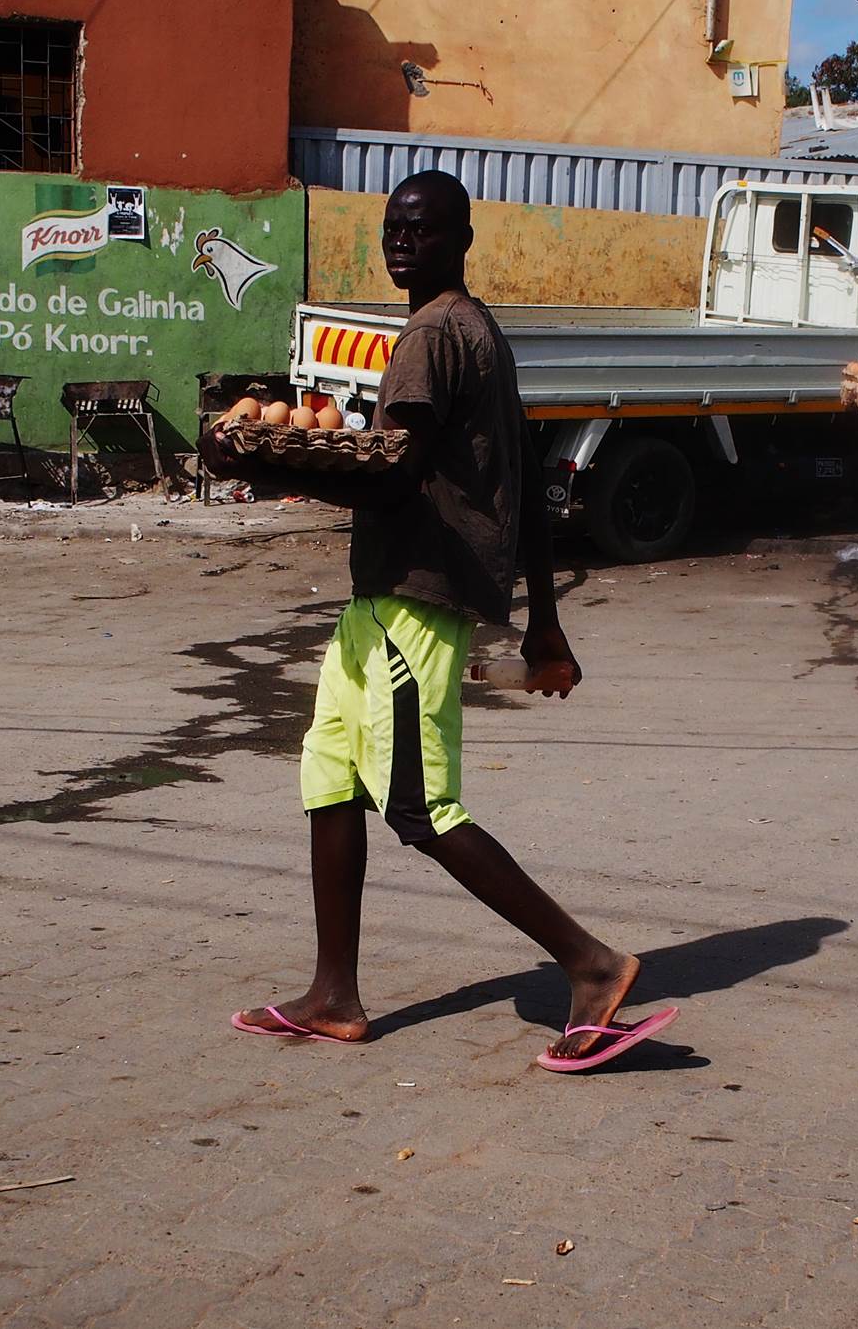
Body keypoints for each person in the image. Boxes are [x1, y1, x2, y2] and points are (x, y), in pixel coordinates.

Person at [201, 170, 675, 1073]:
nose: (401, 241)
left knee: (419, 806)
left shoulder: (431, 334)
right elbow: (526, 487)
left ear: (461, 239)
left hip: (415, 596)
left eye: (421, 228)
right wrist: (544, 619)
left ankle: (592, 964)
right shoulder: (480, 331)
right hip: (379, 598)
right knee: (331, 777)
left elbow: (390, 471)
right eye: (392, 228)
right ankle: (334, 995)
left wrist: (268, 468)